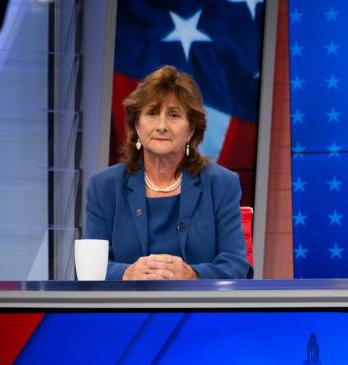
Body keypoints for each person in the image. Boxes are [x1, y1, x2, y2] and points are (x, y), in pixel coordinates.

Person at [84, 65, 251, 280]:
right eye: (152, 113)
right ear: (136, 124)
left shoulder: (221, 184)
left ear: (191, 129)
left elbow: (236, 265)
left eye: (173, 115)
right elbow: (90, 268)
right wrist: (126, 274)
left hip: (197, 310)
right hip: (127, 311)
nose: (162, 126)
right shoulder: (104, 186)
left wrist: (194, 275)